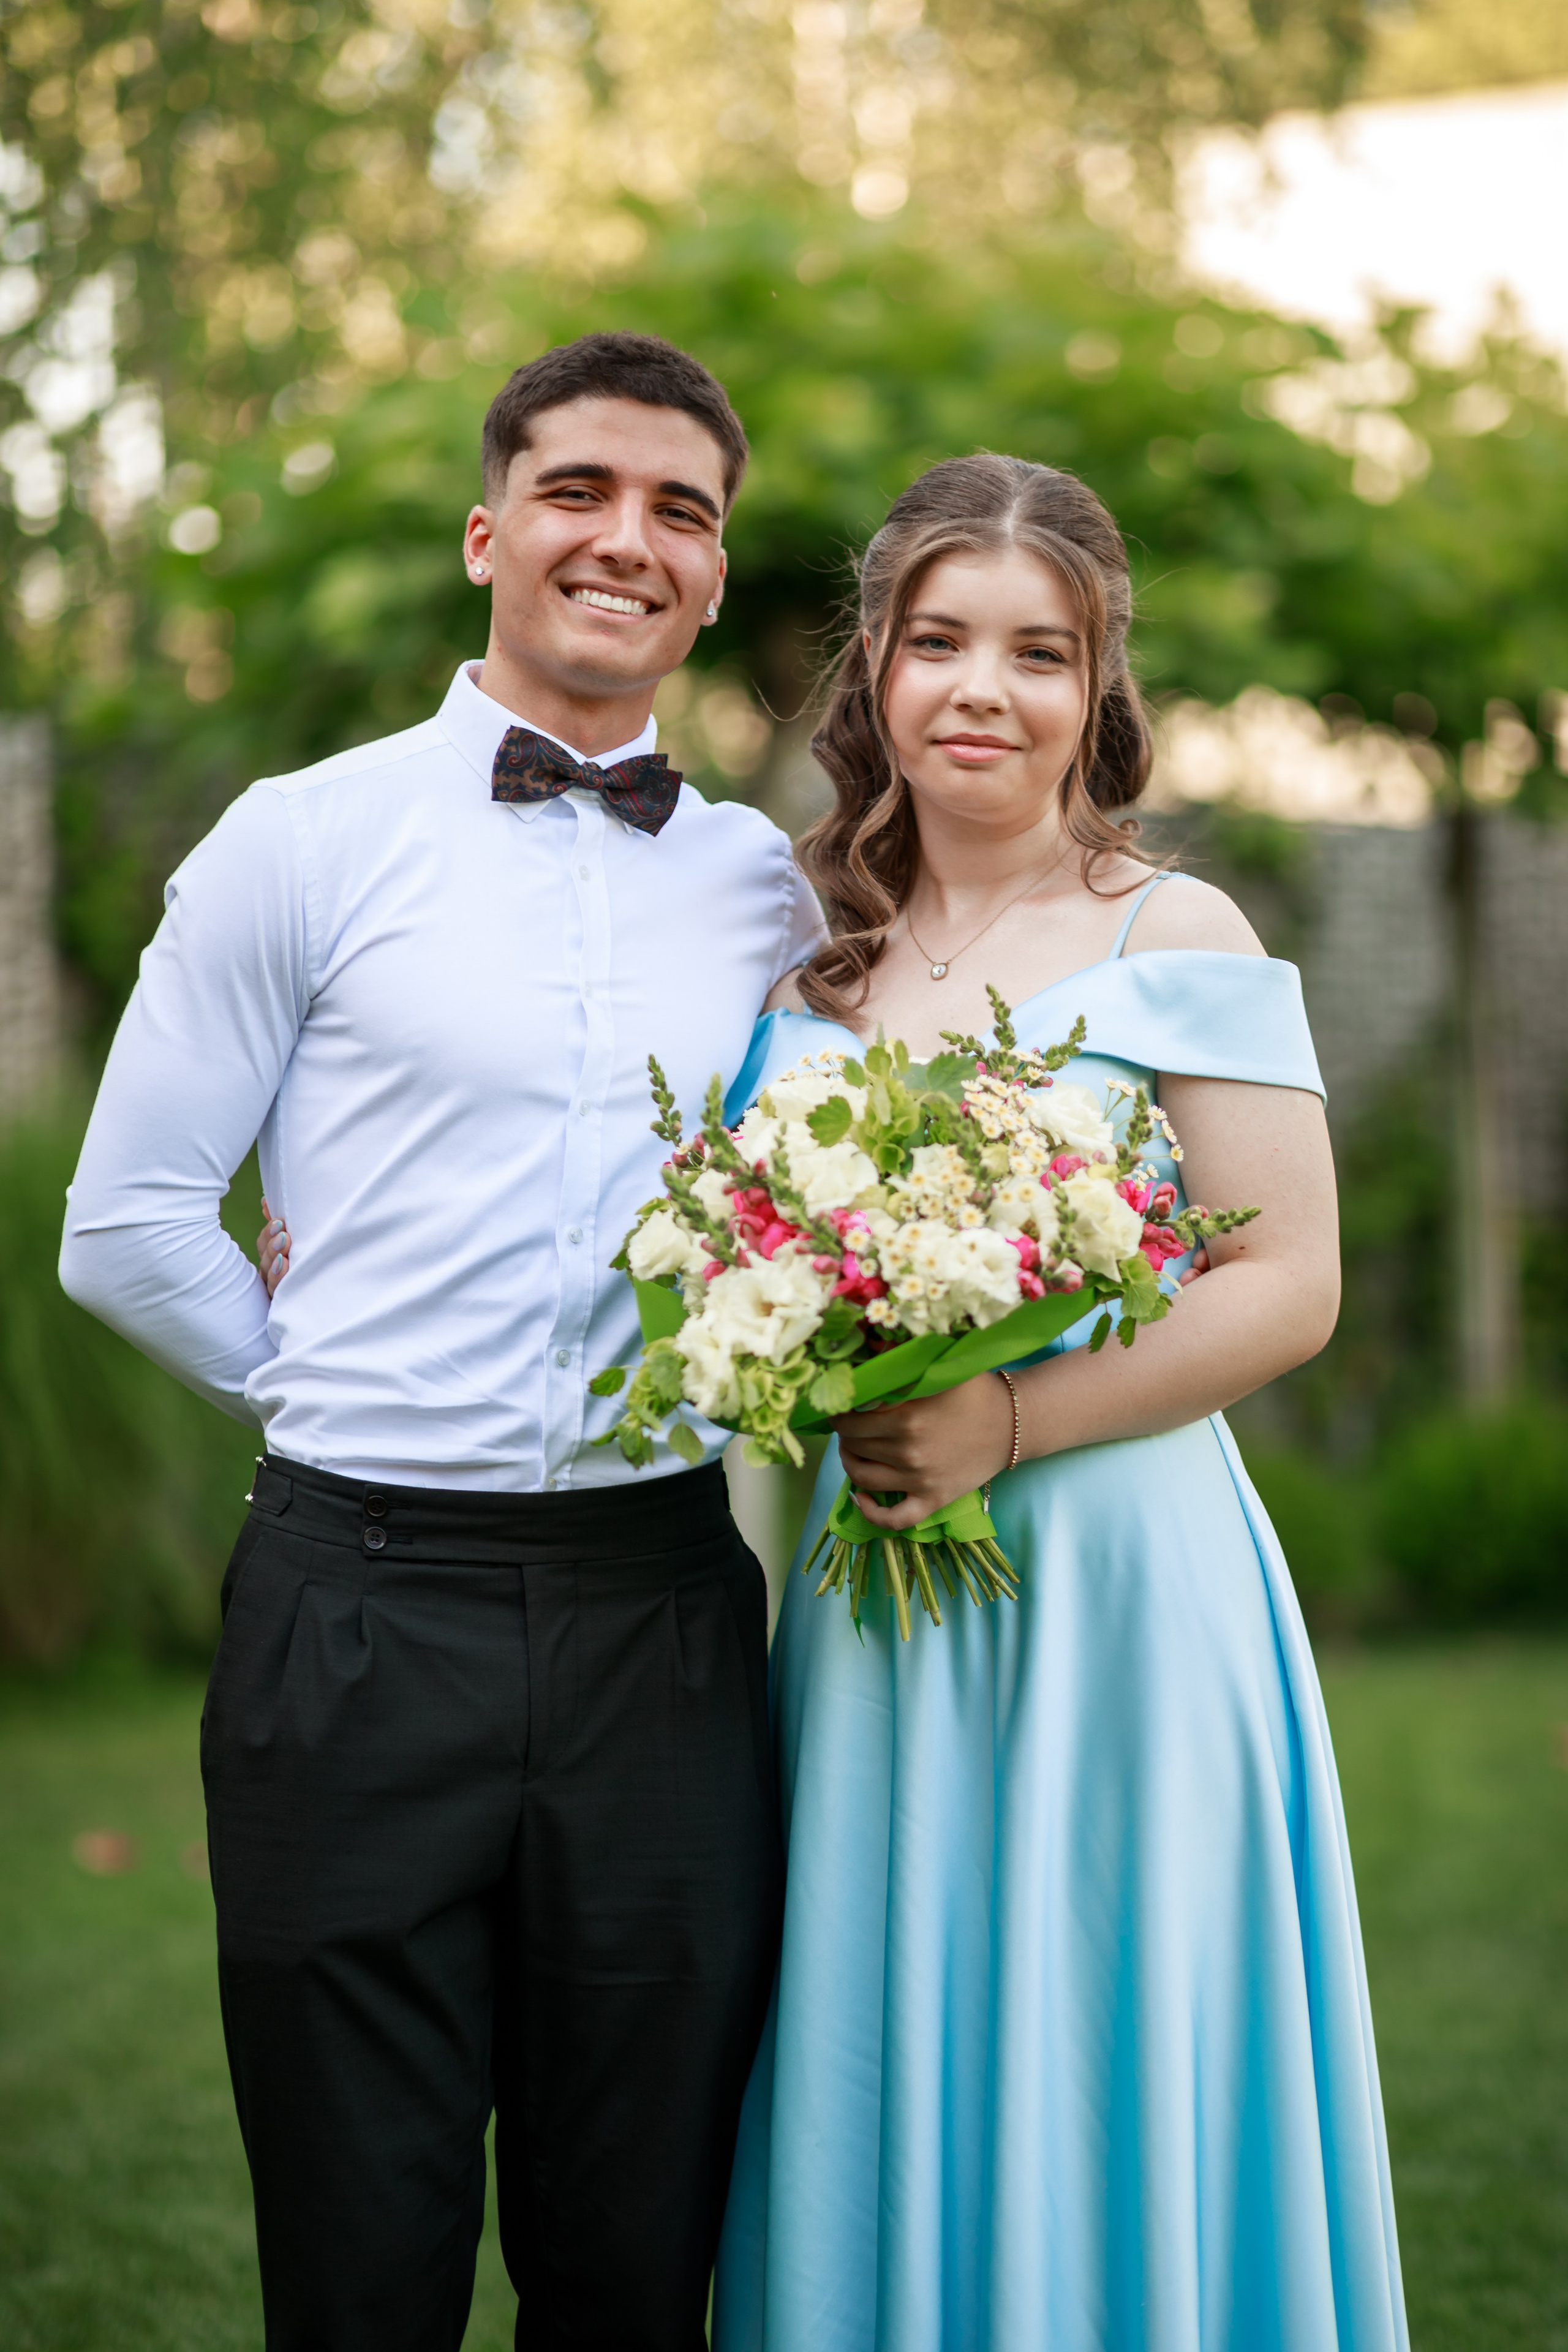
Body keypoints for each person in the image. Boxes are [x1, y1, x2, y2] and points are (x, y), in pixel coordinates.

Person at [59, 331, 824, 2352]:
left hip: (666, 1615)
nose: (628, 539)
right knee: (361, 2254)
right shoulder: (299, 837)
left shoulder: (766, 885)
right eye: (580, 489)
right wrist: (345, 1385)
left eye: (683, 511)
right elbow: (128, 1227)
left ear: (715, 578)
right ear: (491, 529)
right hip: (355, 1609)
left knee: (637, 2251)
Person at [710, 454, 1410, 2351]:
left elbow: (1289, 1283)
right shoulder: (801, 960)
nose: (980, 690)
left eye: (1037, 650)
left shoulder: (1171, 936)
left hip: (1116, 1582)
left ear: (1100, 684)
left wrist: (1009, 1425)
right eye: (938, 640)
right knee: (887, 2018)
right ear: (876, 665)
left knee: (1109, 2020)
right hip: (873, 1600)